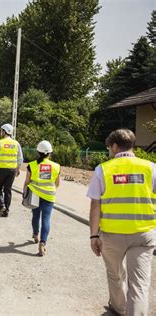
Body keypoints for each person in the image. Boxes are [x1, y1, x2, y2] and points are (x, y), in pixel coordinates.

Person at [87, 129, 155, 315]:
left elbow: (95, 205)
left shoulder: (104, 169)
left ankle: (119, 308)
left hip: (112, 235)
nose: (109, 150)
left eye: (109, 147)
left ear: (115, 146)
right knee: (139, 284)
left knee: (115, 275)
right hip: (143, 234)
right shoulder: (151, 168)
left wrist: (94, 235)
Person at [23, 140, 60, 256]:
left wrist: (24, 193)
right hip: (49, 196)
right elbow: (57, 183)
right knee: (46, 219)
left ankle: (35, 235)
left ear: (38, 152)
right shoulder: (56, 166)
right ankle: (43, 243)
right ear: (49, 153)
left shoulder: (32, 165)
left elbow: (27, 182)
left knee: (35, 216)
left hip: (34, 195)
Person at [0, 123, 23, 217]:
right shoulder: (16, 143)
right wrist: (18, 169)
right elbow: (20, 158)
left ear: (5, 131)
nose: (0, 132)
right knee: (8, 190)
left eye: (1, 130)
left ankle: (1, 205)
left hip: (1, 169)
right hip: (12, 170)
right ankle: (6, 210)